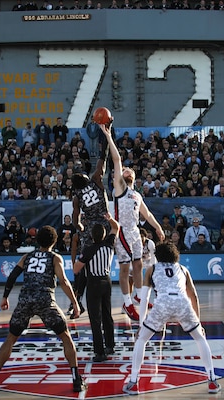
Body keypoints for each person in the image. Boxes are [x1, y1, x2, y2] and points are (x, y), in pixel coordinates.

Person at [0, 226, 87, 393]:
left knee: (11, 338)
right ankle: (76, 379)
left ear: (37, 240)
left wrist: (5, 296)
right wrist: (75, 303)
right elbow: (63, 281)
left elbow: (12, 276)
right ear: (55, 241)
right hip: (45, 299)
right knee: (66, 337)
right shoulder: (55, 257)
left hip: (25, 299)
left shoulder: (27, 256)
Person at [123, 242, 221, 395]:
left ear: (158, 255)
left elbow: (144, 297)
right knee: (200, 338)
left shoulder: (152, 269)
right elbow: (193, 296)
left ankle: (134, 382)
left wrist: (142, 323)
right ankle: (212, 380)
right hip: (183, 304)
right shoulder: (183, 269)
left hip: (163, 304)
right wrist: (198, 322)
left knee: (141, 340)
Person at [100, 122, 165, 321]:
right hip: (121, 231)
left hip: (136, 232)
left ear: (134, 177)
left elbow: (148, 215)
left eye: (129, 169)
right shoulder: (120, 189)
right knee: (125, 267)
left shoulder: (136, 195)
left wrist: (158, 227)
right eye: (124, 169)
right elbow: (117, 159)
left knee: (138, 265)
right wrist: (108, 136)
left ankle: (138, 294)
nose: (125, 169)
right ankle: (127, 303)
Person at [73, 213, 119, 362]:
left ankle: (100, 352)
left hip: (94, 283)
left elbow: (76, 270)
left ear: (92, 236)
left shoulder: (88, 250)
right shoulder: (109, 245)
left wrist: (80, 258)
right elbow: (116, 227)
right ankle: (110, 345)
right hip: (107, 281)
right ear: (104, 234)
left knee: (95, 319)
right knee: (107, 314)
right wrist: (109, 218)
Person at [71, 157, 111, 316]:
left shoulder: (77, 196)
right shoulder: (95, 181)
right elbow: (102, 163)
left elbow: (75, 219)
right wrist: (107, 144)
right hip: (106, 223)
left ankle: (77, 299)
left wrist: (81, 227)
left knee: (84, 264)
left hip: (90, 228)